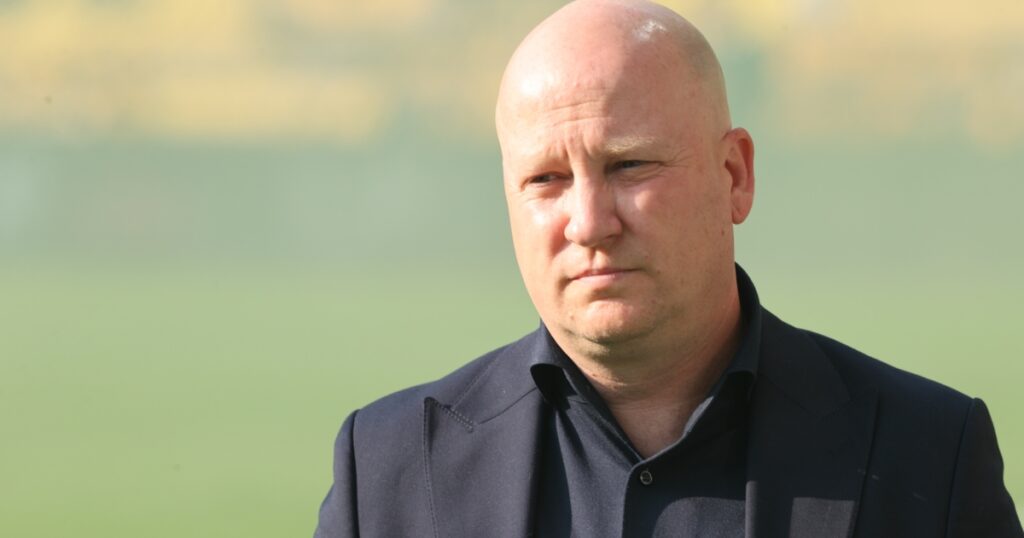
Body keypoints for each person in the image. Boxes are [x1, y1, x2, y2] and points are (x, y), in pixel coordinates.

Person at [315, 0, 1022, 536]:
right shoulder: (386, 470)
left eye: (629, 165)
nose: (590, 222)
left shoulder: (929, 456)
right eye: (546, 180)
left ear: (735, 175)